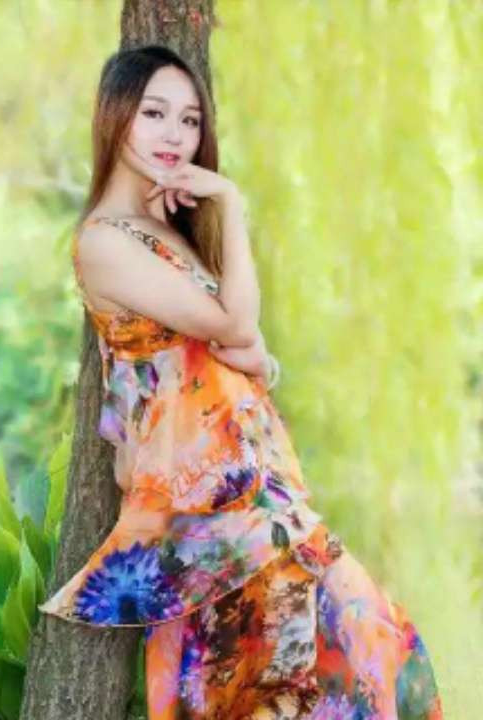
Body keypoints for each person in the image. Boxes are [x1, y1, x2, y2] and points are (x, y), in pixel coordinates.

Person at [38, 44, 443, 720]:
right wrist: (229, 201)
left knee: (374, 651)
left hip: (258, 493)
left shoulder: (169, 233)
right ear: (115, 116)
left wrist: (250, 347)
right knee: (275, 682)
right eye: (154, 114)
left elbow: (244, 343)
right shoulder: (106, 241)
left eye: (189, 119)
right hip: (207, 515)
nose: (174, 135)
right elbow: (233, 323)